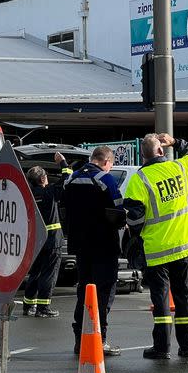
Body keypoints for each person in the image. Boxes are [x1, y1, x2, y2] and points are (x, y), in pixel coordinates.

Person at [124, 133, 188, 360]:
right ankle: (187, 347)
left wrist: (136, 237)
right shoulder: (180, 168)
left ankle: (162, 348)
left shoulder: (140, 179)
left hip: (157, 250)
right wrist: (176, 141)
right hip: (184, 246)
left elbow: (134, 218)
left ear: (143, 155)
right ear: (161, 151)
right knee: (184, 296)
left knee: (160, 301)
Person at [63, 146, 124, 356]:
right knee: (104, 292)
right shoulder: (105, 180)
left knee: (84, 291)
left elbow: (64, 207)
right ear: (106, 161)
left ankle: (80, 340)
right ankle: (100, 339)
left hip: (80, 245)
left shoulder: (71, 180)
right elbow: (118, 210)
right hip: (104, 245)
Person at [22, 154, 71, 318]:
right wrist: (63, 162)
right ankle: (43, 307)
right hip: (52, 240)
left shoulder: (27, 196)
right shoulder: (49, 192)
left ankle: (28, 305)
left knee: (35, 272)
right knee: (49, 273)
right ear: (43, 179)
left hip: (36, 240)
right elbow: (67, 178)